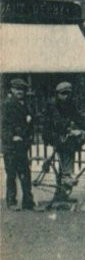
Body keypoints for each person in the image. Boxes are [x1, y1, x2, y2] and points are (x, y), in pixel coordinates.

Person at [42, 81, 85, 199]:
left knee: (76, 141)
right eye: (63, 94)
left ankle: (61, 193)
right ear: (57, 94)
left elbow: (78, 117)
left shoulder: (69, 103)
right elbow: (57, 121)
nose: (66, 96)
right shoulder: (52, 104)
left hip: (63, 133)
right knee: (68, 145)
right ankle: (66, 176)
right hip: (52, 133)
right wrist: (70, 130)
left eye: (68, 94)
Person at [1, 78, 35, 210]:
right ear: (12, 90)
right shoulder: (7, 104)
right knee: (12, 174)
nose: (20, 92)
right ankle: (11, 202)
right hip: (11, 146)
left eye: (22, 90)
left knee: (25, 173)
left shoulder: (25, 104)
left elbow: (30, 121)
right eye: (17, 89)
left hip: (22, 145)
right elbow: (3, 126)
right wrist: (11, 137)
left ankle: (28, 201)